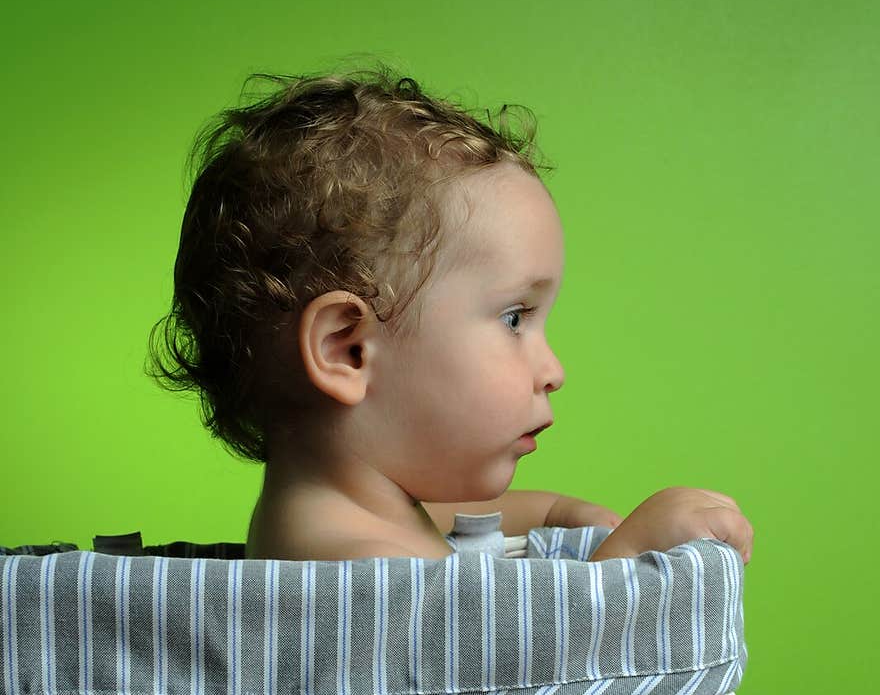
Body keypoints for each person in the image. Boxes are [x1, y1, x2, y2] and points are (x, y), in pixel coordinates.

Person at [147, 64, 753, 567]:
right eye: (515, 318)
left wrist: (556, 514)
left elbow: (441, 526)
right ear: (348, 350)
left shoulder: (360, 514)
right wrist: (628, 555)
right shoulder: (358, 570)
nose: (554, 370)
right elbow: (518, 666)